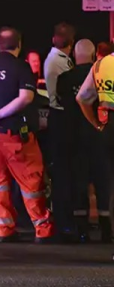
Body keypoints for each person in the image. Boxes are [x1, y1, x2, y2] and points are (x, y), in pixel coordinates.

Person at [0, 27, 54, 244]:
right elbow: (25, 98)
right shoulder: (21, 68)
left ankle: (4, 228)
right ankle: (42, 227)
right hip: (15, 135)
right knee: (31, 181)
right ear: (19, 44)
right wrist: (0, 114)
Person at [62, 39, 111, 243]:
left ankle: (87, 231)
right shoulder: (99, 68)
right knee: (106, 181)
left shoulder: (98, 67)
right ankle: (107, 231)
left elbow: (79, 99)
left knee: (88, 182)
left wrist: (94, 123)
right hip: (103, 132)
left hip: (91, 132)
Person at [43, 23, 77, 240]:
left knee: (64, 172)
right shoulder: (58, 61)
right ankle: (64, 222)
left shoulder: (58, 59)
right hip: (62, 117)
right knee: (64, 173)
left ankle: (65, 219)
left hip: (60, 117)